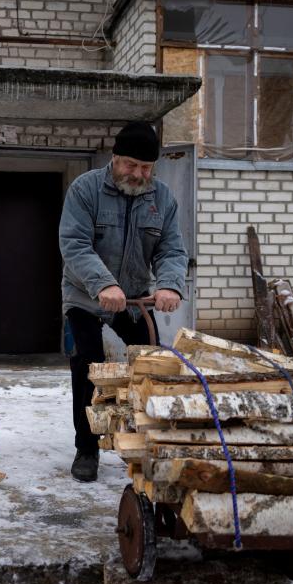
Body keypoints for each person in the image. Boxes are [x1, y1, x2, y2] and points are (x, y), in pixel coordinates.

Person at [58, 121, 189, 482]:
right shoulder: (85, 190)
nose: (138, 174)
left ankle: (149, 439)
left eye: (146, 168)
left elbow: (171, 249)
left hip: (133, 298)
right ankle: (87, 447)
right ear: (115, 159)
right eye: (131, 165)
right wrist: (103, 284)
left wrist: (170, 286)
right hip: (85, 295)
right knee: (89, 365)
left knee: (151, 362)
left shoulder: (162, 198)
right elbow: (74, 244)